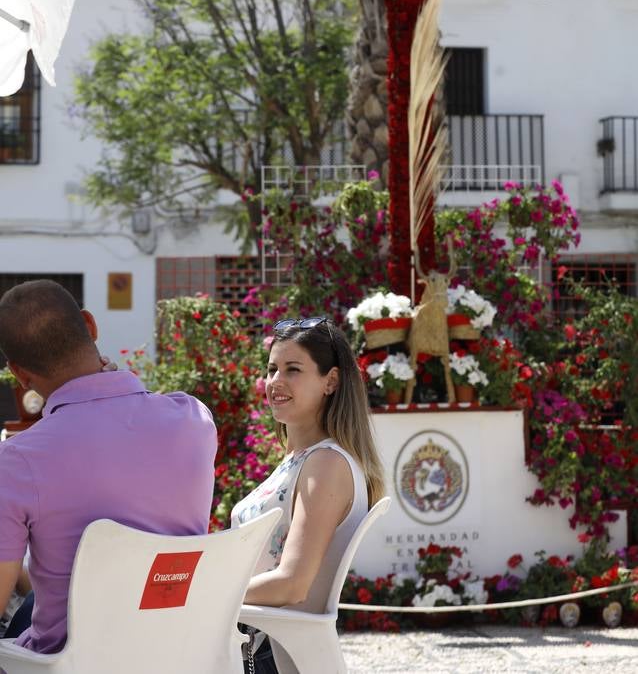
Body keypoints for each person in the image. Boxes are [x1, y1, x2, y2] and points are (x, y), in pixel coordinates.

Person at [0, 279, 218, 655]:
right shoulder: (193, 419)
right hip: (182, 654)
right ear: (90, 325)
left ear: (19, 373)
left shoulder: (18, 461)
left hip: (73, 663)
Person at [231, 317, 385, 673]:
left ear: (330, 381)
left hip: (274, 656)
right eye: (272, 369)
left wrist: (205, 593)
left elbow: (293, 583)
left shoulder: (326, 463)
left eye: (293, 369)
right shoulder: (303, 459)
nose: (275, 382)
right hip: (258, 646)